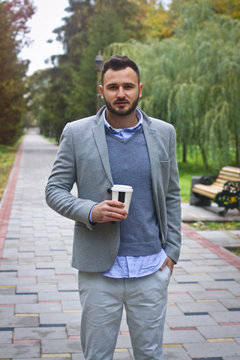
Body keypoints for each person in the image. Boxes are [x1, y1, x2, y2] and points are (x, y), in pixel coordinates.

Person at [45, 55, 181, 360]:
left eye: (128, 86)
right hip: (98, 272)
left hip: (151, 269)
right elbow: (54, 190)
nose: (121, 93)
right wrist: (91, 211)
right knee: (97, 355)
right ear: (101, 90)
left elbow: (171, 194)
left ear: (140, 89)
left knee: (149, 354)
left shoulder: (164, 133)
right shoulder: (77, 133)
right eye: (113, 86)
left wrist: (172, 253)